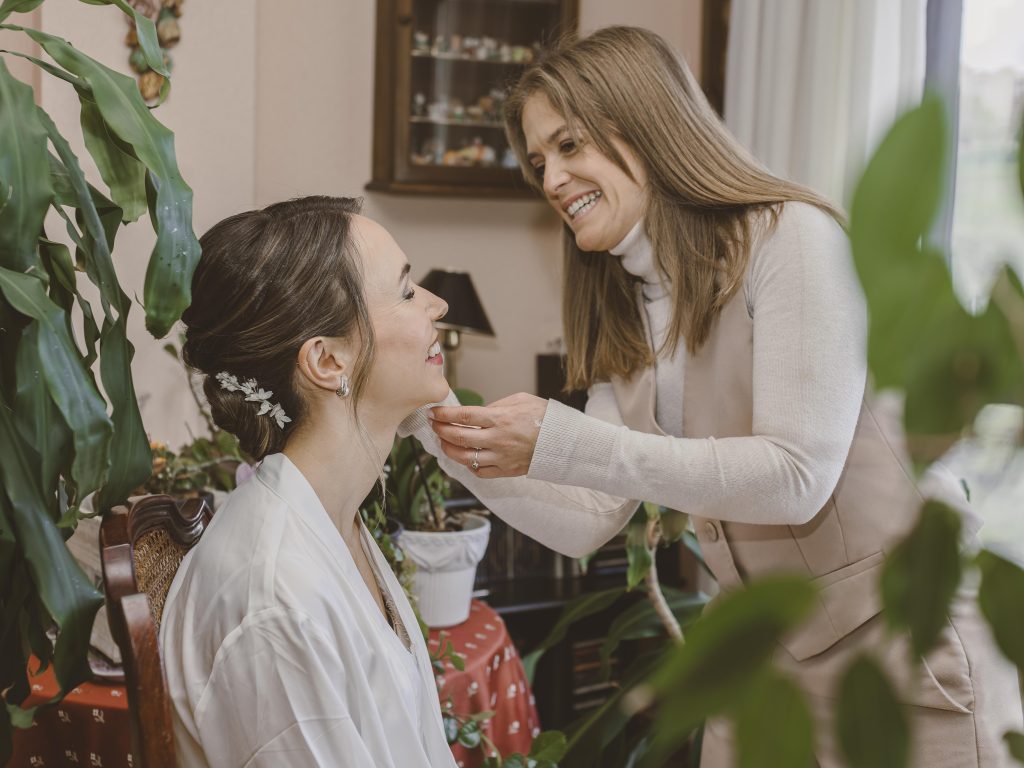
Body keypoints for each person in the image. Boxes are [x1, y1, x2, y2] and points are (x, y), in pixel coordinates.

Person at [405, 26, 1023, 768]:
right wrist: (426, 423)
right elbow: (586, 517)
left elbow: (797, 476)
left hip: (900, 656)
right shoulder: (629, 302)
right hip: (763, 659)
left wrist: (564, 440)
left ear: (645, 122)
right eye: (539, 161)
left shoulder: (793, 238)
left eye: (569, 146)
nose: (552, 179)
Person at [160, 196, 457, 767]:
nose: (438, 305)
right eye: (406, 291)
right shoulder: (275, 601)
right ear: (326, 361)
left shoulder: (333, 522)